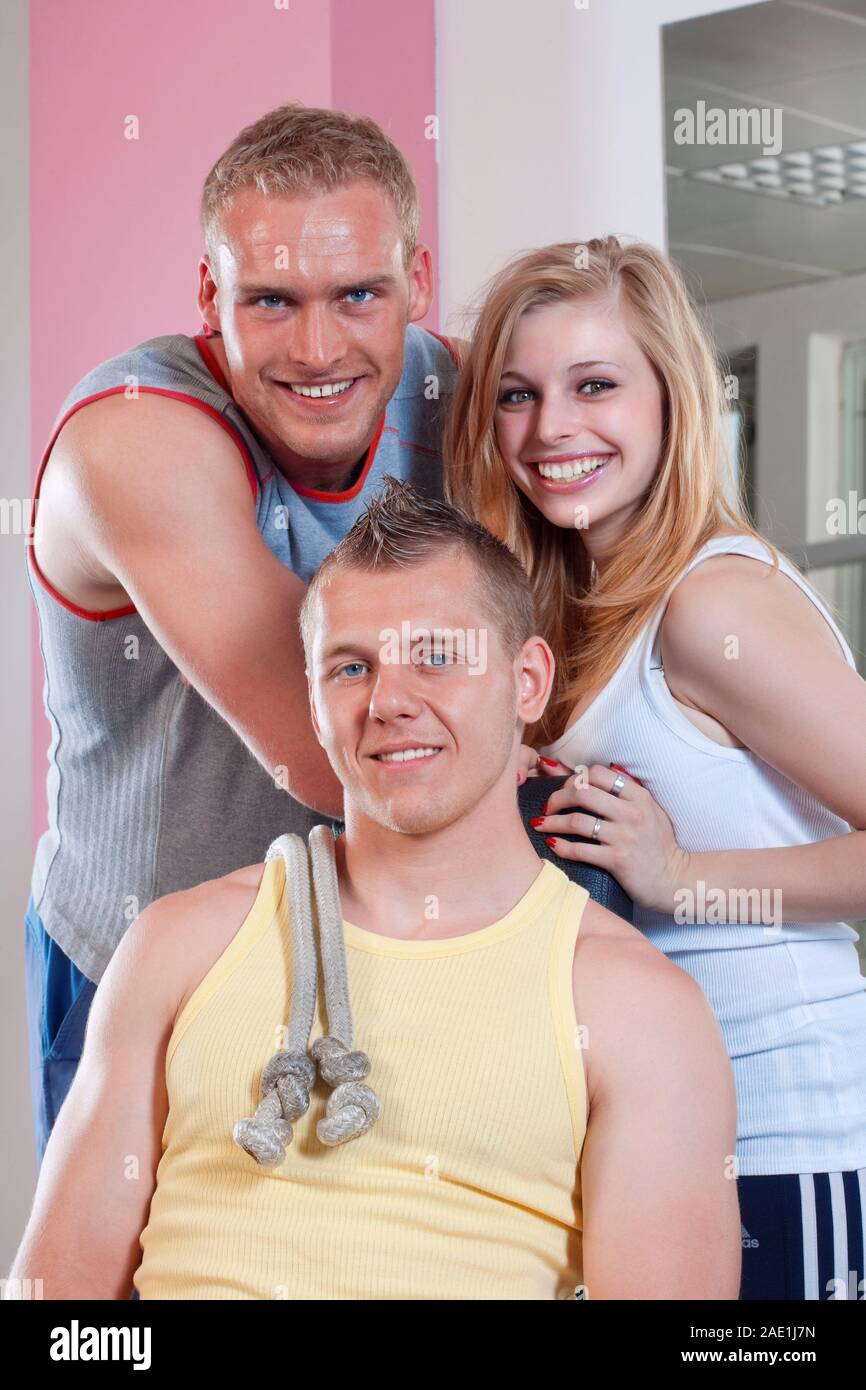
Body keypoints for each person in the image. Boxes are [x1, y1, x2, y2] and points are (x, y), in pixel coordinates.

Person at [7, 479, 740, 1301]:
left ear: (527, 682)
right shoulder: (178, 946)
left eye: (437, 656)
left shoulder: (638, 1008)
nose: (390, 701)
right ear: (314, 704)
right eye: (352, 666)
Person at [24, 101, 464, 1165]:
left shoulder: (462, 392)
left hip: (372, 956)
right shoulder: (134, 437)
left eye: (357, 294)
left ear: (416, 278)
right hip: (139, 959)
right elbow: (329, 754)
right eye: (271, 300)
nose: (318, 348)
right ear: (210, 296)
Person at [443, 235, 866, 1301]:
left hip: (781, 1141)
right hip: (649, 1151)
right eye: (515, 394)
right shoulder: (566, 615)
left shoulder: (711, 604)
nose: (551, 430)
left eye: (595, 385)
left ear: (672, 397)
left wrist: (683, 877)